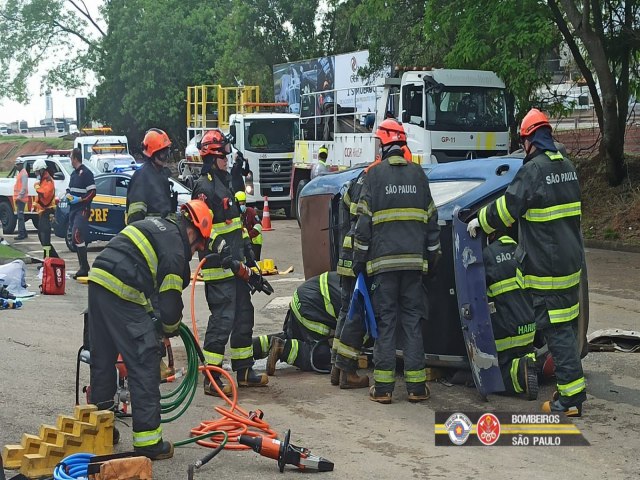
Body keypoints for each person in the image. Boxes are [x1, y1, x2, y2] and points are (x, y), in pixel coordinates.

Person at [468, 108, 586, 416]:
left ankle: (570, 399)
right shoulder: (568, 167)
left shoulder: (534, 171)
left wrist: (479, 222)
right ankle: (570, 390)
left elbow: (507, 209)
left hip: (548, 270)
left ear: (529, 140)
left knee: (555, 331)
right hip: (571, 264)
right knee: (567, 328)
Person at [88, 199, 212, 460]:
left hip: (98, 279)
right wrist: (168, 329)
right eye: (200, 243)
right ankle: (148, 443)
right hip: (123, 289)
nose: (198, 250)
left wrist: (151, 318)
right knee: (144, 360)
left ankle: (101, 430)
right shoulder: (176, 253)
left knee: (102, 358)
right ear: (192, 229)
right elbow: (169, 309)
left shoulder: (158, 226)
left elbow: (145, 280)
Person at [353, 119, 441, 404]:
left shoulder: (374, 177)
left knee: (387, 322)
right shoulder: (419, 175)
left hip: (383, 268)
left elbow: (363, 225)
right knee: (412, 323)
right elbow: (432, 222)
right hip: (415, 265)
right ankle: (416, 388)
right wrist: (433, 259)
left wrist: (359, 261)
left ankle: (383, 389)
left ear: (385, 145)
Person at [192, 129, 267, 396]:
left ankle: (244, 369)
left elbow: (235, 223)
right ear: (212, 158)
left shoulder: (226, 183)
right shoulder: (204, 188)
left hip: (236, 264)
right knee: (222, 320)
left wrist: (247, 246)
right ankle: (212, 378)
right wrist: (221, 248)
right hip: (218, 267)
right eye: (224, 154)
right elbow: (202, 227)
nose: (228, 158)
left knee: (244, 314)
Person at [331, 164, 376, 390]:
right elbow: (367, 223)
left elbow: (345, 212)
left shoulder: (360, 177)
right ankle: (347, 371)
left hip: (347, 250)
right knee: (355, 314)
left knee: (345, 309)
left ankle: (336, 368)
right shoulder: (376, 180)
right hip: (360, 251)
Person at [253, 272, 341, 375]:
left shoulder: (355, 280)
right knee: (321, 357)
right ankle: (282, 349)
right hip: (311, 309)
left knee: (292, 338)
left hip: (302, 297)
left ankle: (254, 346)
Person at [483, 232, 537, 399]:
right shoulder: (521, 251)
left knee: (496, 378)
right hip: (530, 328)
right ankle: (529, 364)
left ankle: (520, 375)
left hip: (507, 332)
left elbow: (477, 294)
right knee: (525, 353)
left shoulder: (487, 255)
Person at [126, 128, 176, 223]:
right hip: (148, 235)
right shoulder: (141, 177)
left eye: (167, 153)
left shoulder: (162, 176)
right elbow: (134, 217)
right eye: (162, 154)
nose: (166, 157)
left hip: (162, 234)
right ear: (152, 154)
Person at [66, 148, 96, 279]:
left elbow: (92, 192)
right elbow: (69, 188)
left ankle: (84, 267)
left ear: (75, 158)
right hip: (73, 209)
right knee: (74, 239)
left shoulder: (86, 173)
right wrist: (68, 195)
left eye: (70, 158)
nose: (70, 161)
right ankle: (83, 266)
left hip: (82, 209)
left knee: (77, 235)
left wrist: (81, 199)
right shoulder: (73, 174)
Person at [32, 159, 59, 258]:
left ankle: (47, 261)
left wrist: (36, 187)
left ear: (41, 170)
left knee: (45, 238)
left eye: (36, 172)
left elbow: (45, 196)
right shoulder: (44, 180)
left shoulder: (47, 180)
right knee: (42, 237)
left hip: (48, 212)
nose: (35, 174)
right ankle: (54, 259)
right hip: (43, 212)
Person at [235, 191, 263, 260]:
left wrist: (249, 236)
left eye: (243, 203)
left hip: (252, 241)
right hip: (239, 241)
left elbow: (258, 225)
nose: (242, 206)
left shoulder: (251, 211)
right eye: (240, 204)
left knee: (258, 237)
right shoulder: (234, 214)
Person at [13, 158, 29, 240]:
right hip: (20, 199)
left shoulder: (23, 174)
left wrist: (19, 197)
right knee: (20, 216)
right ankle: (24, 232)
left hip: (21, 199)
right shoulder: (21, 173)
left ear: (20, 164)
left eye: (17, 164)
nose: (16, 166)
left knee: (20, 217)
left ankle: (21, 234)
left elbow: (23, 188)